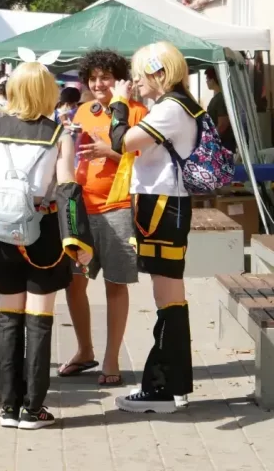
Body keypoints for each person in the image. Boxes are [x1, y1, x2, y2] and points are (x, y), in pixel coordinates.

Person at [0, 61, 94, 430]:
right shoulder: (59, 135)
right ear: (46, 93)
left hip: (1, 233)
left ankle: (8, 407)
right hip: (44, 234)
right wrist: (76, 239)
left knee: (8, 317)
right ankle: (33, 409)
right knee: (39, 319)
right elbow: (67, 190)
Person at [109, 42, 200, 414]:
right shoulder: (175, 106)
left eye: (139, 75)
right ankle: (173, 385)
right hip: (163, 205)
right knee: (170, 300)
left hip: (162, 207)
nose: (135, 82)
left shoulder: (170, 109)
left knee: (168, 300)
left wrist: (118, 103)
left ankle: (161, 389)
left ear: (159, 73)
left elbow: (122, 141)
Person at [60, 50, 146, 386]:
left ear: (119, 80)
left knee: (115, 284)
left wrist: (109, 152)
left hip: (118, 207)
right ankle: (85, 350)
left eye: (105, 77)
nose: (98, 84)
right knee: (73, 282)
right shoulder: (83, 111)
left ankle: (112, 358)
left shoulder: (137, 112)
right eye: (93, 78)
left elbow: (147, 167)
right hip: (82, 208)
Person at [204, 68, 237, 152]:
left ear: (213, 80)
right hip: (220, 142)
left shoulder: (221, 98)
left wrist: (210, 140)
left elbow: (223, 124)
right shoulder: (218, 97)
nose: (206, 82)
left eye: (207, 79)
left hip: (223, 144)